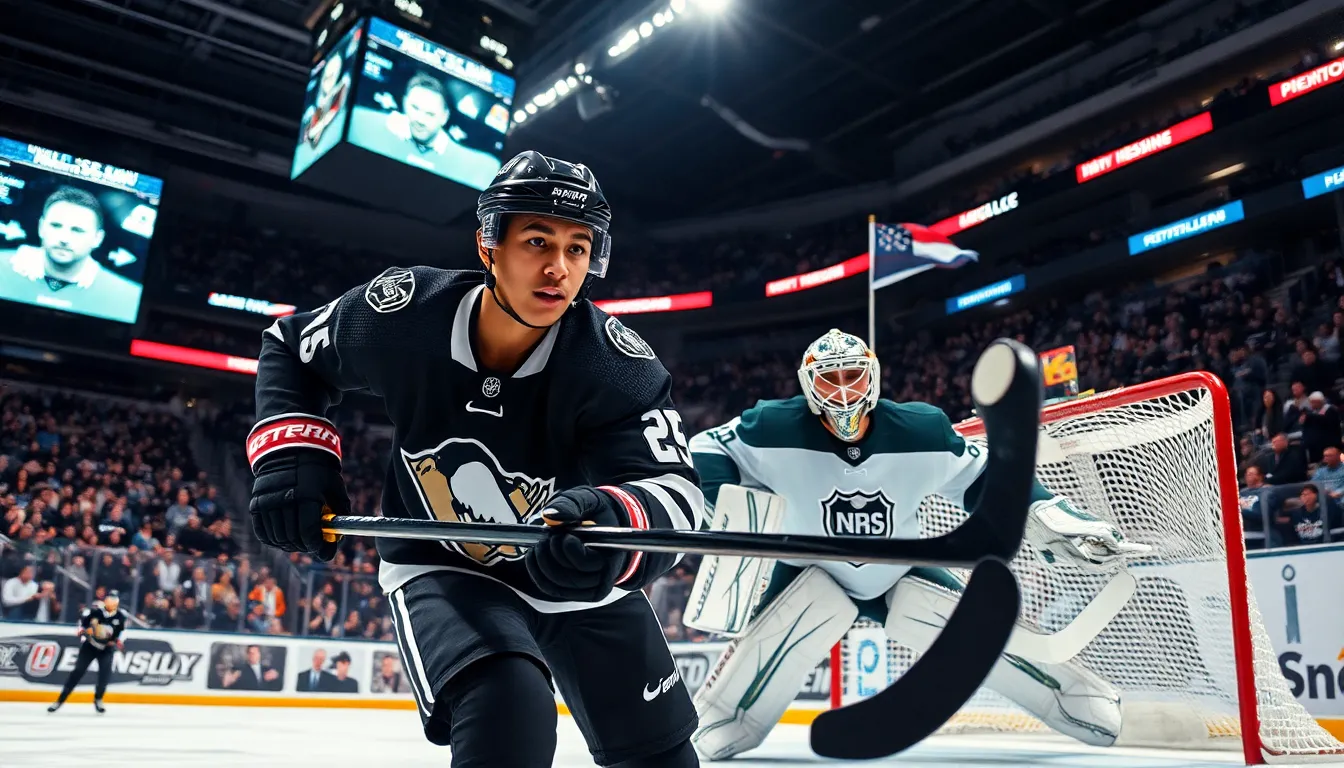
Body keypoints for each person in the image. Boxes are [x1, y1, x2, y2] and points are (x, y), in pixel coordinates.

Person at [245, 150, 703, 767]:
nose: (559, 268)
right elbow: (291, 347)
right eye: (537, 241)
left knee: (661, 757)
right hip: (444, 562)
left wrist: (614, 525)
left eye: (577, 248)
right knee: (508, 702)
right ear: (489, 246)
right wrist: (293, 458)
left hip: (575, 575)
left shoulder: (616, 365)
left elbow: (678, 492)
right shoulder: (404, 314)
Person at [685, 329, 1149, 761]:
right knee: (723, 719)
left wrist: (1046, 512)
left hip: (901, 565)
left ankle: (1073, 697)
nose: (843, 391)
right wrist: (721, 504)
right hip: (809, 568)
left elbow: (987, 479)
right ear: (809, 385)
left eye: (852, 376)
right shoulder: (772, 425)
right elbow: (707, 446)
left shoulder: (920, 429)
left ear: (873, 375)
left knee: (977, 630)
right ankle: (728, 712)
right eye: (829, 379)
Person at [0, 186, 141, 322]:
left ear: (97, 238)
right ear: (41, 227)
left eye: (77, 230)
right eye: (56, 226)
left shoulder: (129, 297)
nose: (64, 239)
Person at [346, 71, 501, 189]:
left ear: (444, 117)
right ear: (405, 102)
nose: (420, 119)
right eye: (415, 108)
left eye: (430, 114)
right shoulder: (360, 120)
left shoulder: (477, 166)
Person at [47, 590, 127, 714]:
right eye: (110, 599)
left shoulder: (120, 617)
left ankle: (98, 699)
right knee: (78, 671)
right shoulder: (95, 612)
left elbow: (122, 632)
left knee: (104, 674)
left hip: (106, 650)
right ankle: (60, 700)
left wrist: (117, 641)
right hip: (89, 647)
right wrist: (83, 632)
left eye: (114, 600)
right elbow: (83, 625)